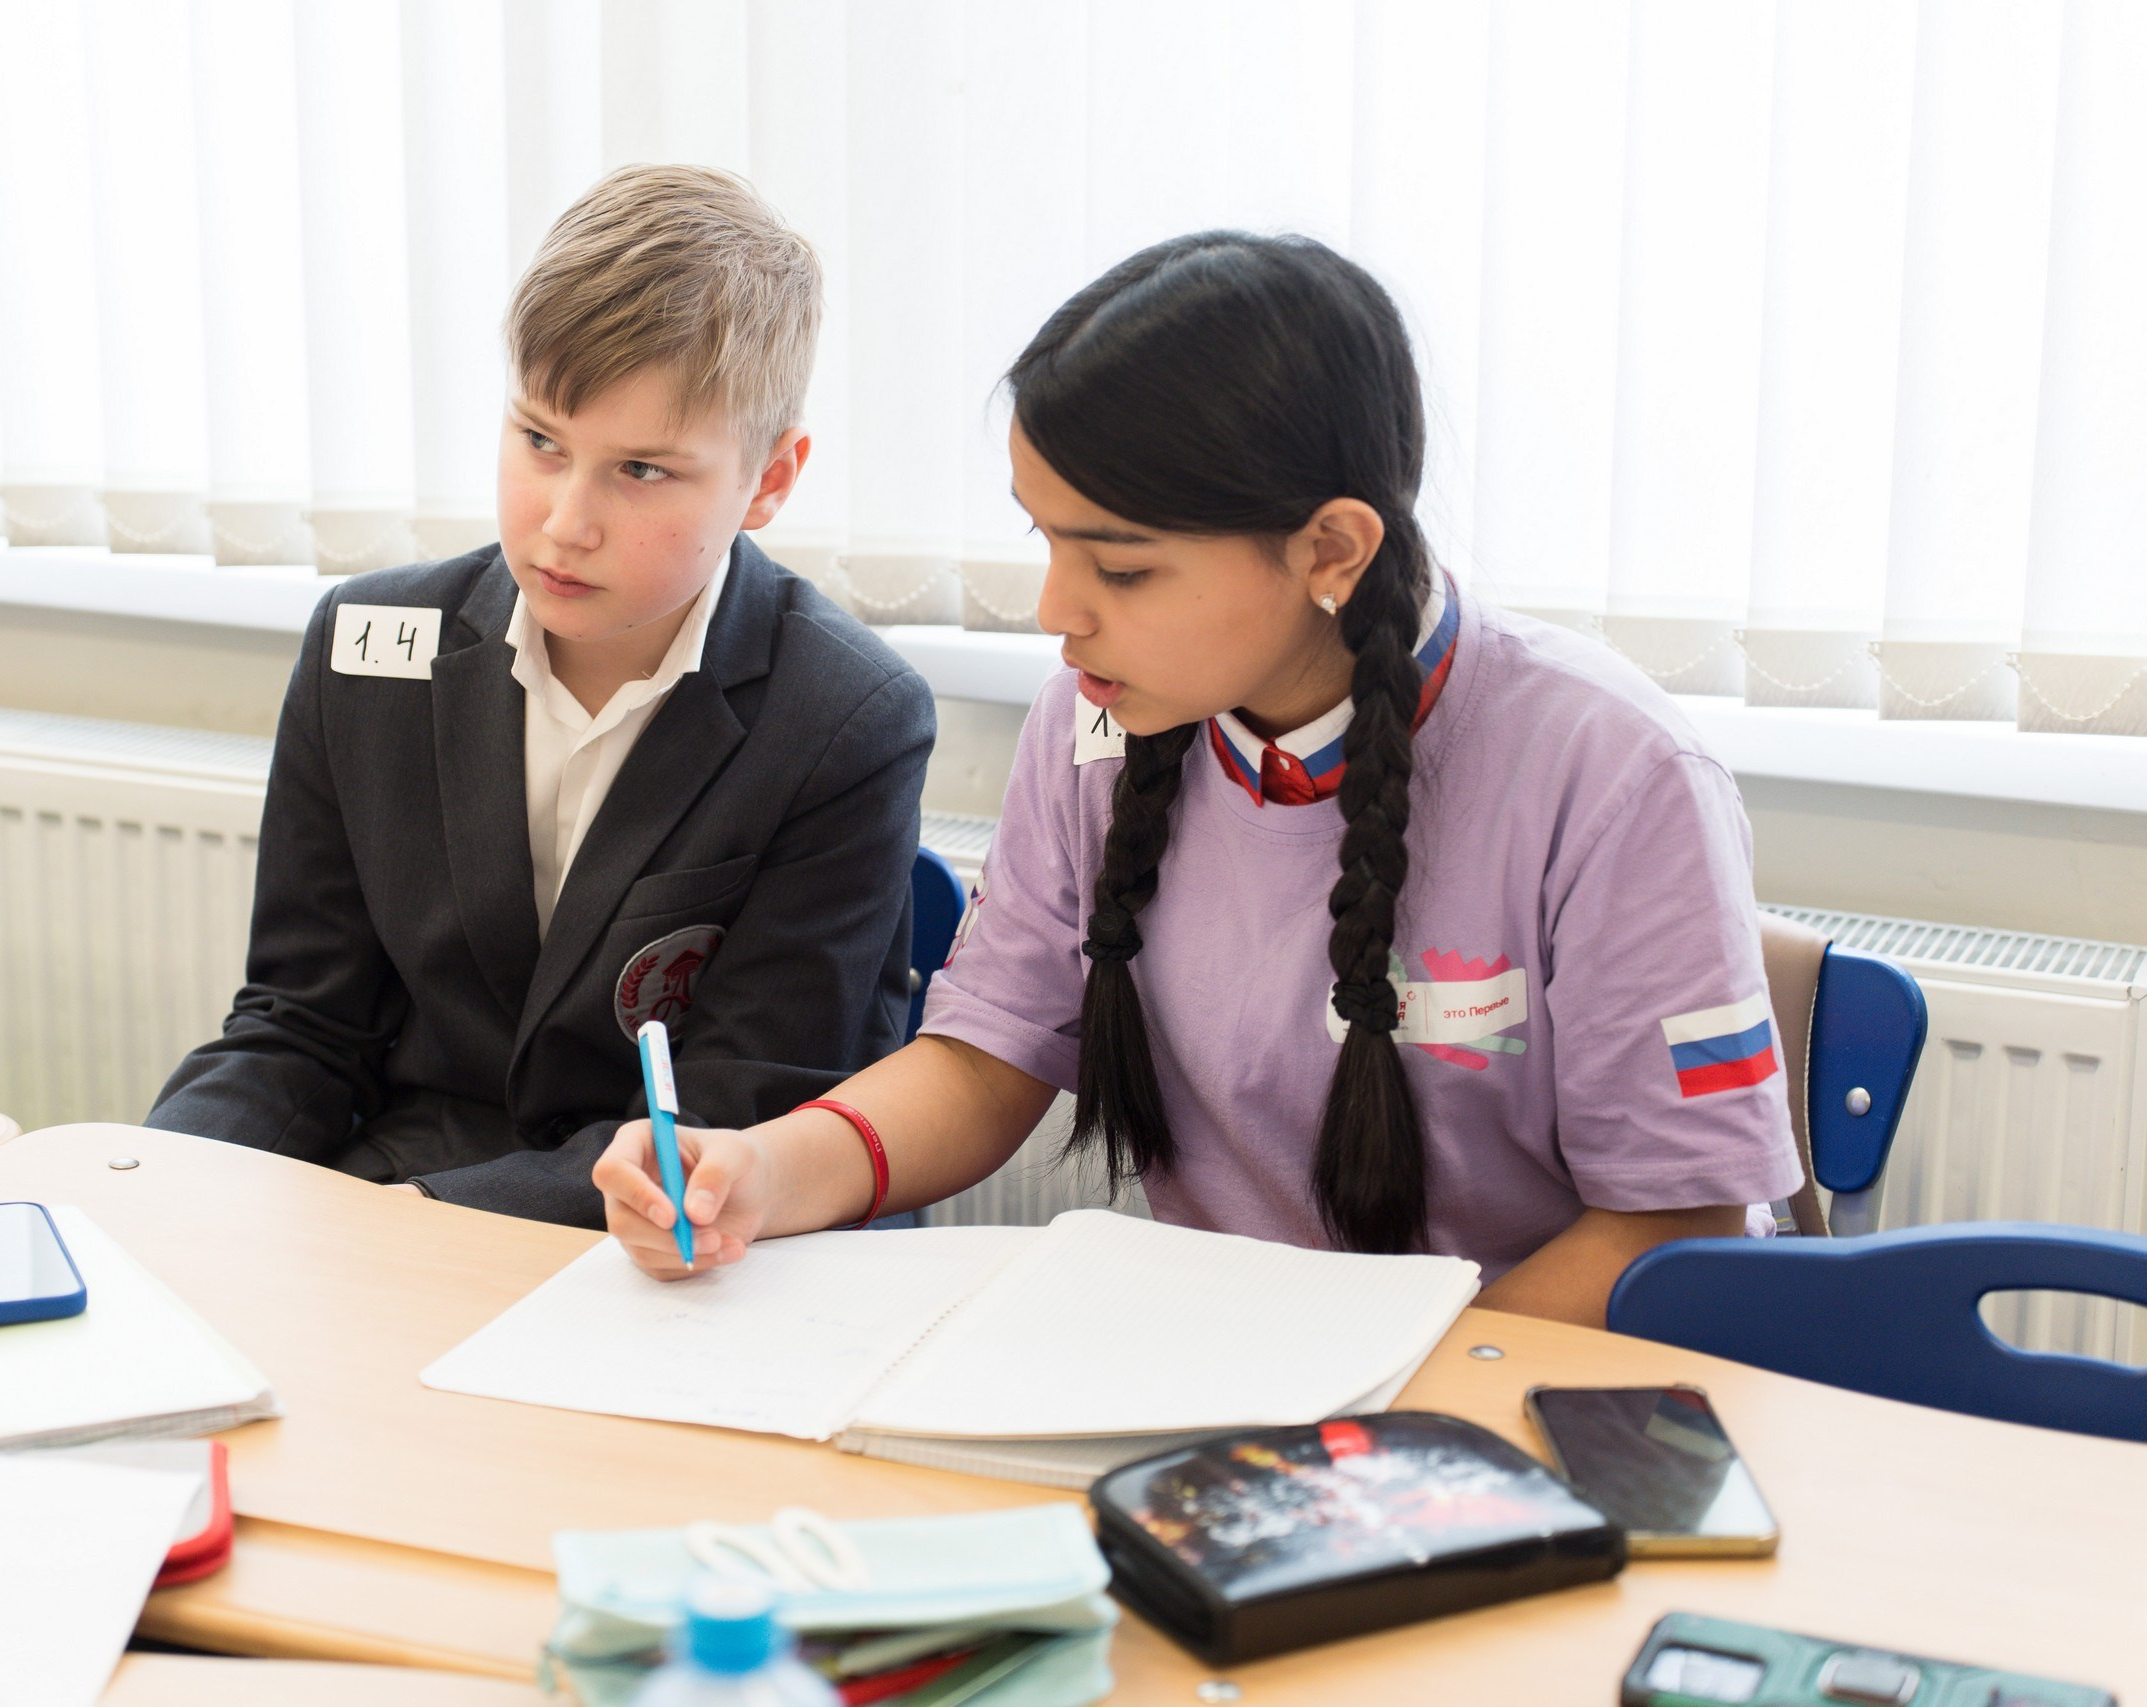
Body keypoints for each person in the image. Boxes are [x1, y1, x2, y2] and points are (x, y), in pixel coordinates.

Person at [593, 232, 1801, 1326]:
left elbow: (1672, 1223)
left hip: (1511, 1400)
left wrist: (1386, 1401)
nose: (1055, 615)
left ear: (1330, 549)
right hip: (1238, 1389)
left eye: (1120, 570)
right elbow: (985, 1058)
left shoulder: (1615, 773)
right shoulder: (1098, 721)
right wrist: (761, 1169)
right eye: (1044, 540)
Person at [149, 166, 935, 1226]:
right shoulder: (365, 648)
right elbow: (301, 1029)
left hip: (678, 1249)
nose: (565, 522)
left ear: (769, 481)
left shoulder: (848, 716)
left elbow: (743, 1108)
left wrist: (408, 1225)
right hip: (397, 1205)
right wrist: (150, 1186)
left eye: (641, 471)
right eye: (541, 443)